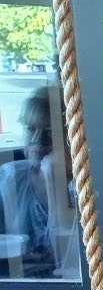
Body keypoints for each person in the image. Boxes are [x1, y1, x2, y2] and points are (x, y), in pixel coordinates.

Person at [0, 83, 74, 278]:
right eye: (30, 129)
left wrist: (54, 178)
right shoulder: (9, 179)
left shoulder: (84, 186)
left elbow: (68, 264)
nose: (37, 140)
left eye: (49, 132)